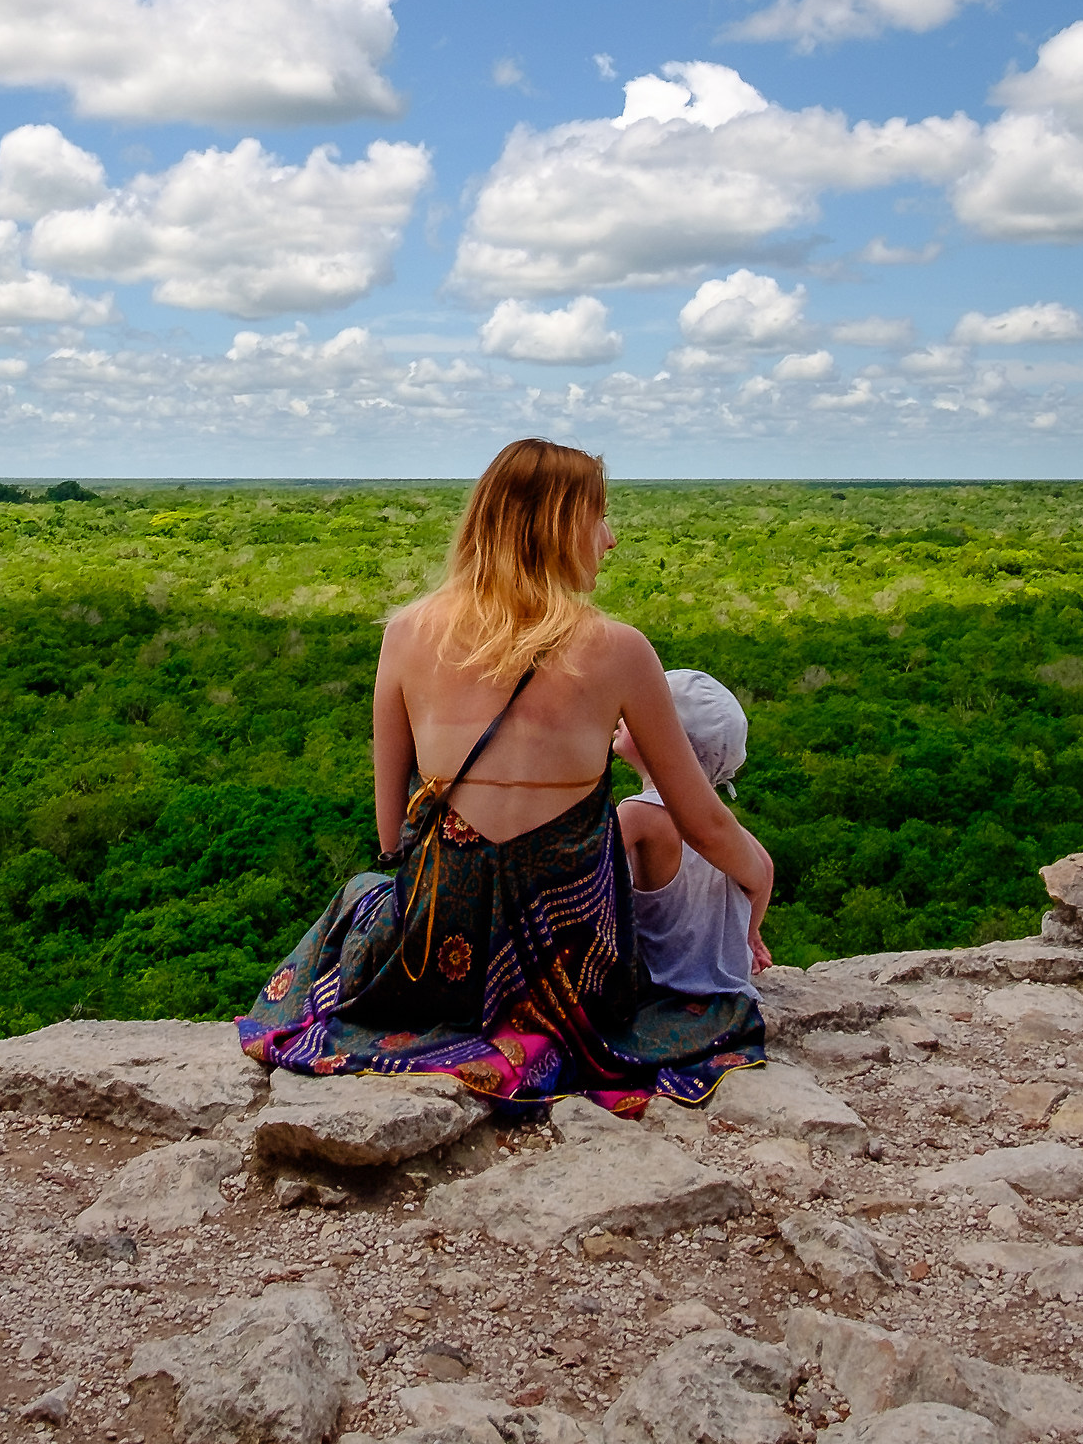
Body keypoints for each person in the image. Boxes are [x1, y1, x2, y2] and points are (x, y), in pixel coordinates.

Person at [235, 439, 768, 1115]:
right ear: (555, 527)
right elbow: (704, 822)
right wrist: (757, 882)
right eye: (597, 518)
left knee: (361, 895)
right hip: (573, 968)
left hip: (435, 955)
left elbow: (389, 831)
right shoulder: (621, 650)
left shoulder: (405, 633)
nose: (610, 538)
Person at [615, 670, 773, 996]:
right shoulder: (717, 824)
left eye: (638, 711)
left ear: (666, 739)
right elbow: (765, 869)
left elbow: (584, 879)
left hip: (660, 989)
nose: (622, 713)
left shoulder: (637, 814)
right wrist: (747, 934)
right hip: (728, 988)